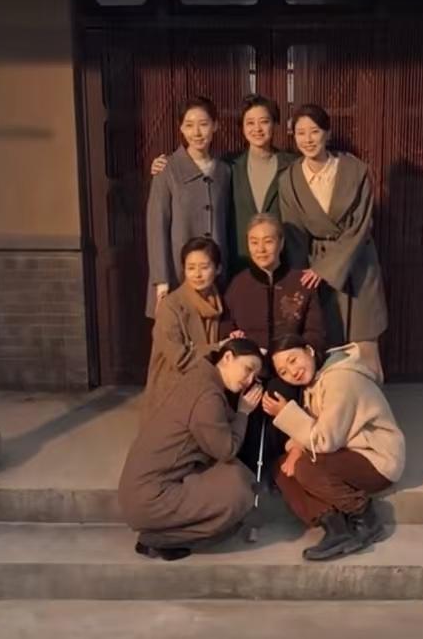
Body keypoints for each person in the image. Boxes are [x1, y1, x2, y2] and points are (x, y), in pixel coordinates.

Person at [117, 338, 268, 561]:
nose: (249, 380)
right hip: (151, 499)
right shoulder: (207, 396)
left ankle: (163, 534)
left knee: (234, 475)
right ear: (227, 357)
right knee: (239, 494)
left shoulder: (200, 375)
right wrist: (243, 412)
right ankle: (160, 539)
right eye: (248, 369)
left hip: (142, 491)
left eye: (255, 375)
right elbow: (226, 450)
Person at [261, 337, 405, 562]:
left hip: (376, 459)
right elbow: (317, 428)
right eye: (283, 372)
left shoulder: (340, 379)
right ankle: (335, 527)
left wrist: (285, 413)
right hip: (346, 453)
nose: (293, 372)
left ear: (309, 350)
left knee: (304, 466)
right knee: (282, 466)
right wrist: (296, 448)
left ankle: (365, 516)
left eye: (293, 360)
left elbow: (325, 440)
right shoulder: (316, 381)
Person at [274, 104, 388, 375]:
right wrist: (303, 278)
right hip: (315, 266)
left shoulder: (356, 170)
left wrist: (326, 268)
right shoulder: (289, 180)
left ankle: (369, 399)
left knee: (364, 343)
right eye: (300, 132)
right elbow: (294, 234)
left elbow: (360, 225)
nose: (308, 139)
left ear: (327, 133)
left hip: (358, 263)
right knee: (327, 341)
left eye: (314, 131)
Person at [220, 213, 328, 478]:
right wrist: (234, 337)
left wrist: (299, 361)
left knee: (278, 395)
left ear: (280, 243)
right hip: (252, 369)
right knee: (249, 397)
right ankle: (246, 469)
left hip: (288, 371)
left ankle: (279, 466)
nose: (261, 249)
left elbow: (315, 332)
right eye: (254, 242)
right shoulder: (238, 285)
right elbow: (225, 327)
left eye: (268, 241)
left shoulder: (301, 282)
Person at [150, 94, 298, 275]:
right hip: (239, 265)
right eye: (250, 123)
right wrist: (165, 164)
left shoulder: (293, 165)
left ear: (275, 123)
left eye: (264, 122)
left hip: (281, 262)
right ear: (242, 127)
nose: (257, 129)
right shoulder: (229, 165)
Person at [146, 96, 233, 319]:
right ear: (181, 128)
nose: (197, 132)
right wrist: (161, 281)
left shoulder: (224, 171)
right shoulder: (167, 170)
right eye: (189, 125)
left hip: (215, 277)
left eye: (203, 124)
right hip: (177, 275)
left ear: (215, 125)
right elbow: (157, 228)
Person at [143, 237, 229, 403]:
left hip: (207, 386)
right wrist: (217, 347)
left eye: (204, 267)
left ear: (218, 269)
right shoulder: (171, 305)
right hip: (173, 389)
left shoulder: (220, 301)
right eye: (191, 268)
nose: (197, 274)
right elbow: (178, 357)